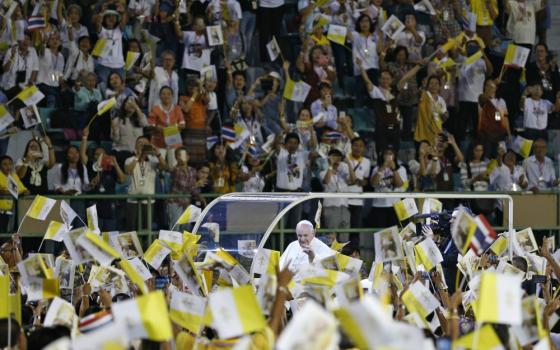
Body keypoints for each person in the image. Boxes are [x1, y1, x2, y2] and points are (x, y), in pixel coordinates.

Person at [124, 136, 167, 231]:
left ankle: (146, 246)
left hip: (148, 200)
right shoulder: (130, 159)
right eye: (140, 143)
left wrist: (158, 153)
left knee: (146, 228)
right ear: (135, 146)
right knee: (131, 229)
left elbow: (165, 167)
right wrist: (138, 156)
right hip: (132, 199)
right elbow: (128, 171)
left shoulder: (153, 161)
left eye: (145, 143)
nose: (142, 145)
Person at [369, 146, 408, 228]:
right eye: (386, 154)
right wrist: (383, 168)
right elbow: (373, 183)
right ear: (383, 156)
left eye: (390, 154)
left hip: (395, 205)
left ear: (394, 156)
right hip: (378, 205)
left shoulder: (401, 169)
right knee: (380, 233)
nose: (388, 156)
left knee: (395, 233)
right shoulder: (377, 168)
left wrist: (394, 169)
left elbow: (399, 184)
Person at [320, 148, 355, 230]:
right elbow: (326, 181)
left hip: (344, 206)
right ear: (329, 158)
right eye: (333, 157)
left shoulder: (344, 173)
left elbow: (353, 180)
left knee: (345, 235)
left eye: (338, 157)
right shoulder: (323, 172)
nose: (336, 159)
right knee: (332, 236)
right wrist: (331, 165)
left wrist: (349, 164)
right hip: (330, 207)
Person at [0, 156, 29, 233]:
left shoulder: (13, 175)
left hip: (11, 212)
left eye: (10, 164)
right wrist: (17, 192)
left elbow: (24, 190)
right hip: (1, 211)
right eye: (4, 164)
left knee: (7, 236)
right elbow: (3, 191)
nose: (8, 166)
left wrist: (24, 192)